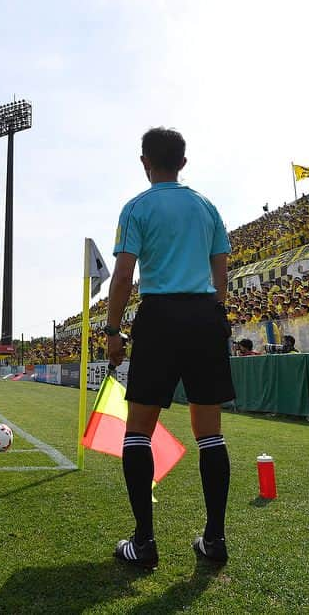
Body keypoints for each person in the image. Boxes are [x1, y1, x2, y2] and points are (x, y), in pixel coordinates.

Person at [104, 127, 234, 568]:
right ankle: (214, 539)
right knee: (210, 433)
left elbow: (123, 277)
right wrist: (215, 311)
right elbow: (222, 269)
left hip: (160, 316)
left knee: (138, 430)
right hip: (204, 316)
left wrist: (112, 331)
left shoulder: (137, 207)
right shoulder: (207, 206)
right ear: (183, 162)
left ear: (145, 161)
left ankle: (144, 544)